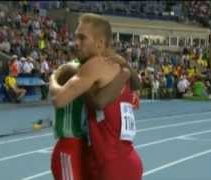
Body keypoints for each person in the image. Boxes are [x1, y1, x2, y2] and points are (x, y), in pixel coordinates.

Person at [49, 13, 143, 180]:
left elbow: (60, 99)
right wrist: (126, 71)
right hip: (128, 160)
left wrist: (53, 78)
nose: (75, 43)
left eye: (82, 38)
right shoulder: (118, 65)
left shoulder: (95, 65)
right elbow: (136, 84)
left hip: (112, 166)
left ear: (100, 43)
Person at [51, 61, 131, 180]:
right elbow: (56, 98)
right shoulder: (72, 68)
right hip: (70, 145)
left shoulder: (99, 70)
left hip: (89, 148)